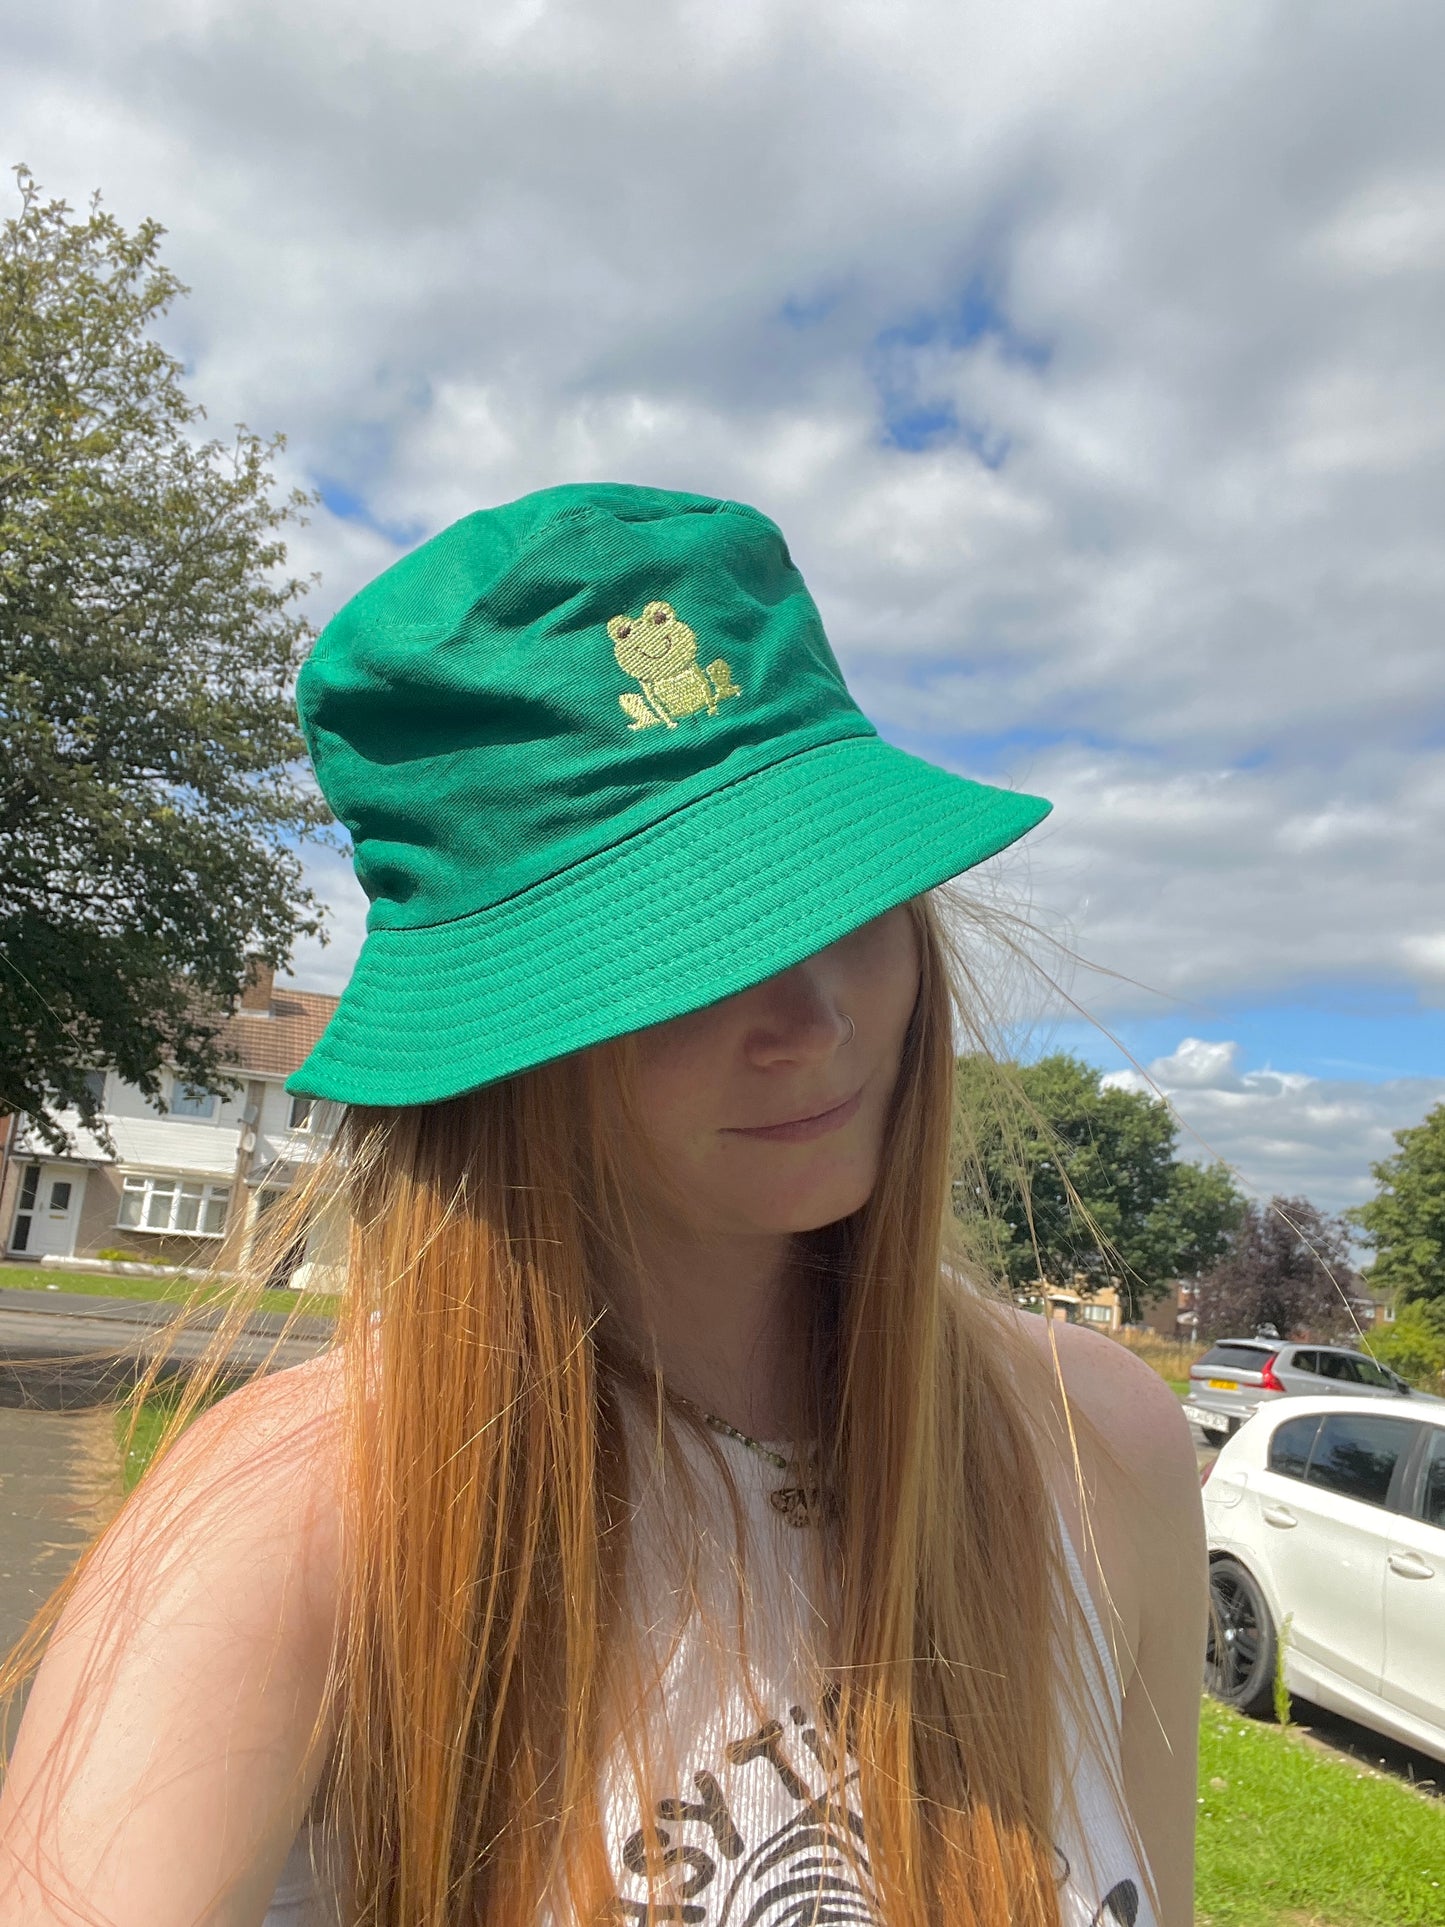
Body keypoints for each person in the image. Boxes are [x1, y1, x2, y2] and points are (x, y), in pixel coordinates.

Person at [0, 484, 1204, 1927]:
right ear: (505, 1039)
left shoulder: (1094, 1448)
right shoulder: (297, 1530)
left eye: (837, 898)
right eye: (684, 952)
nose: (809, 1015)